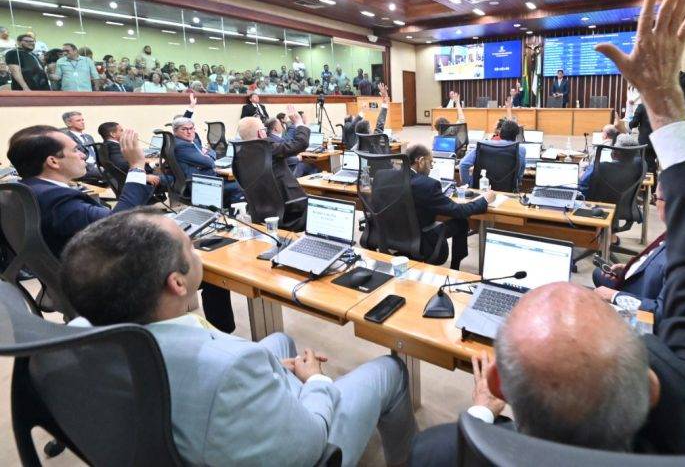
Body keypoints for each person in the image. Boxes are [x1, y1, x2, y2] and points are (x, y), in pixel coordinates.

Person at [412, 0, 685, 463]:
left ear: (496, 383)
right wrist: (666, 101)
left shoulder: (437, 454)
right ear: (650, 387)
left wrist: (483, 415)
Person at [60, 209, 416, 466]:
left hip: (182, 416)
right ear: (177, 283)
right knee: (389, 370)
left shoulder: (74, 334)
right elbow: (309, 445)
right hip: (306, 447)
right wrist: (317, 382)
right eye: (190, 245)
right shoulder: (231, 369)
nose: (197, 250)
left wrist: (269, 370)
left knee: (278, 340)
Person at [5, 125, 154, 257]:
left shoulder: (23, 190)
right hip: (99, 278)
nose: (83, 155)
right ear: (53, 162)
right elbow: (119, 223)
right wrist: (136, 165)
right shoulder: (55, 198)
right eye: (76, 150)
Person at [593, 175, 669, 321]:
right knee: (598, 273)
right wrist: (630, 269)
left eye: (655, 198)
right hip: (645, 282)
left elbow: (661, 312)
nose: (654, 202)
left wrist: (614, 296)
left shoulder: (684, 250)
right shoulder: (677, 230)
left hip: (643, 303)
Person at [407, 144, 495, 269]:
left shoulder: (385, 177)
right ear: (420, 161)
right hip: (422, 242)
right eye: (430, 163)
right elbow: (458, 210)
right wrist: (484, 200)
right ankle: (455, 268)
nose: (431, 167)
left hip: (391, 238)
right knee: (461, 221)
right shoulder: (427, 185)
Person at [236, 105, 310, 229]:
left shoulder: (240, 155)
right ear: (261, 133)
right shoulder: (267, 149)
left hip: (262, 212)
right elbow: (301, 143)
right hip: (289, 211)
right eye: (264, 129)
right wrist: (299, 123)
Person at [458, 119, 526, 187]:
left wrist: (467, 185)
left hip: (481, 191)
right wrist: (518, 182)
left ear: (500, 133)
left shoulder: (483, 145)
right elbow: (520, 173)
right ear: (516, 136)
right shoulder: (521, 150)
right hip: (508, 192)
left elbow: (463, 165)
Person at [61, 111, 105, 186]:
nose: (82, 122)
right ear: (68, 123)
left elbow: (95, 155)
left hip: (97, 167)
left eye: (82, 120)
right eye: (78, 120)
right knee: (114, 174)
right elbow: (74, 159)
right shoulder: (67, 138)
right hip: (84, 168)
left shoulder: (89, 137)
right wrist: (97, 168)